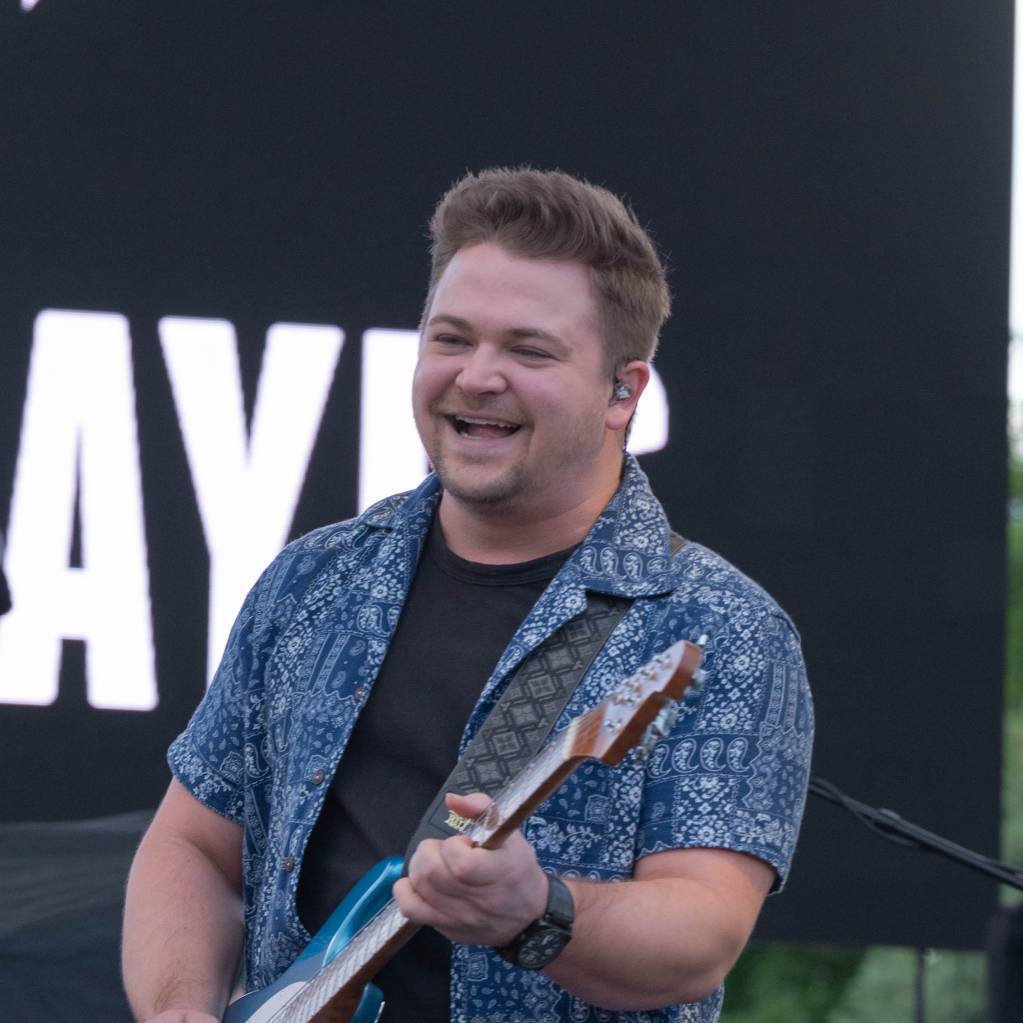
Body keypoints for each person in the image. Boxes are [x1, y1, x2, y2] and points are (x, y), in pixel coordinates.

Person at [122, 168, 813, 1023]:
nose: (476, 376)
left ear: (622, 392)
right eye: (451, 339)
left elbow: (701, 931)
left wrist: (538, 908)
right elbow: (193, 842)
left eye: (528, 350)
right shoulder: (313, 578)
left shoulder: (720, 626)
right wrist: (176, 1007)